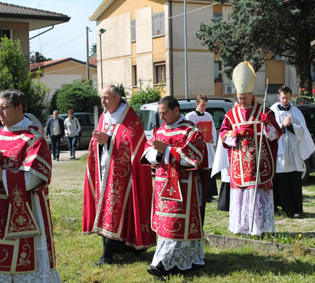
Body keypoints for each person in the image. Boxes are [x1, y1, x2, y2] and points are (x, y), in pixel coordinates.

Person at [0, 89, 61, 282]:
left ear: (19, 108)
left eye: (4, 108)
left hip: (24, 213)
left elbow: (34, 178)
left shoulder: (34, 139)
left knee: (25, 265)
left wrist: (3, 175)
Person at [82, 85, 156, 266]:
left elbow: (133, 142)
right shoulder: (104, 116)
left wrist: (109, 140)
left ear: (117, 98)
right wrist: (98, 141)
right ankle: (122, 248)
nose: (103, 102)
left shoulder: (129, 117)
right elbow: (101, 140)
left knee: (113, 209)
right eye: (101, 98)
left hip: (122, 173)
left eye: (106, 98)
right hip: (103, 169)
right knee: (105, 207)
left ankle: (107, 255)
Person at [141, 96, 208, 279]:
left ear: (176, 110)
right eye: (159, 114)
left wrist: (168, 150)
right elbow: (147, 154)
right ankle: (174, 261)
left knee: (176, 224)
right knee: (166, 225)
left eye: (164, 113)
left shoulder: (190, 131)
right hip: (163, 185)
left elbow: (195, 158)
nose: (161, 118)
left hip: (183, 186)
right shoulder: (160, 131)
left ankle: (162, 263)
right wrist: (158, 152)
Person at [219, 61, 282, 236]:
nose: (241, 101)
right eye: (239, 98)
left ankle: (261, 227)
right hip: (240, 160)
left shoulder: (264, 111)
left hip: (259, 161)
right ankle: (241, 227)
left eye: (244, 97)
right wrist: (234, 133)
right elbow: (223, 135)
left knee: (259, 193)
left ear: (251, 94)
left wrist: (267, 124)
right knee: (241, 194)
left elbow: (275, 134)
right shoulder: (231, 115)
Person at [270, 86, 315, 218]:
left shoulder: (296, 112)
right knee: (280, 181)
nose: (285, 100)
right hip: (279, 153)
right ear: (279, 97)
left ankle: (296, 209)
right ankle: (281, 207)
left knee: (293, 181)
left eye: (287, 98)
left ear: (291, 97)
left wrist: (291, 126)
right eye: (283, 98)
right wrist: (283, 125)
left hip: (293, 151)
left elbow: (302, 131)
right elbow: (270, 131)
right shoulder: (272, 111)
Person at [185, 95, 218, 205]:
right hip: (196, 147)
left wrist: (212, 138)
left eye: (205, 105)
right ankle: (197, 192)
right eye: (202, 105)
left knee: (209, 169)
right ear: (197, 104)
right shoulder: (190, 116)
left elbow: (212, 128)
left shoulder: (208, 115)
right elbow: (187, 130)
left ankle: (209, 194)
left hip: (207, 145)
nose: (204, 107)